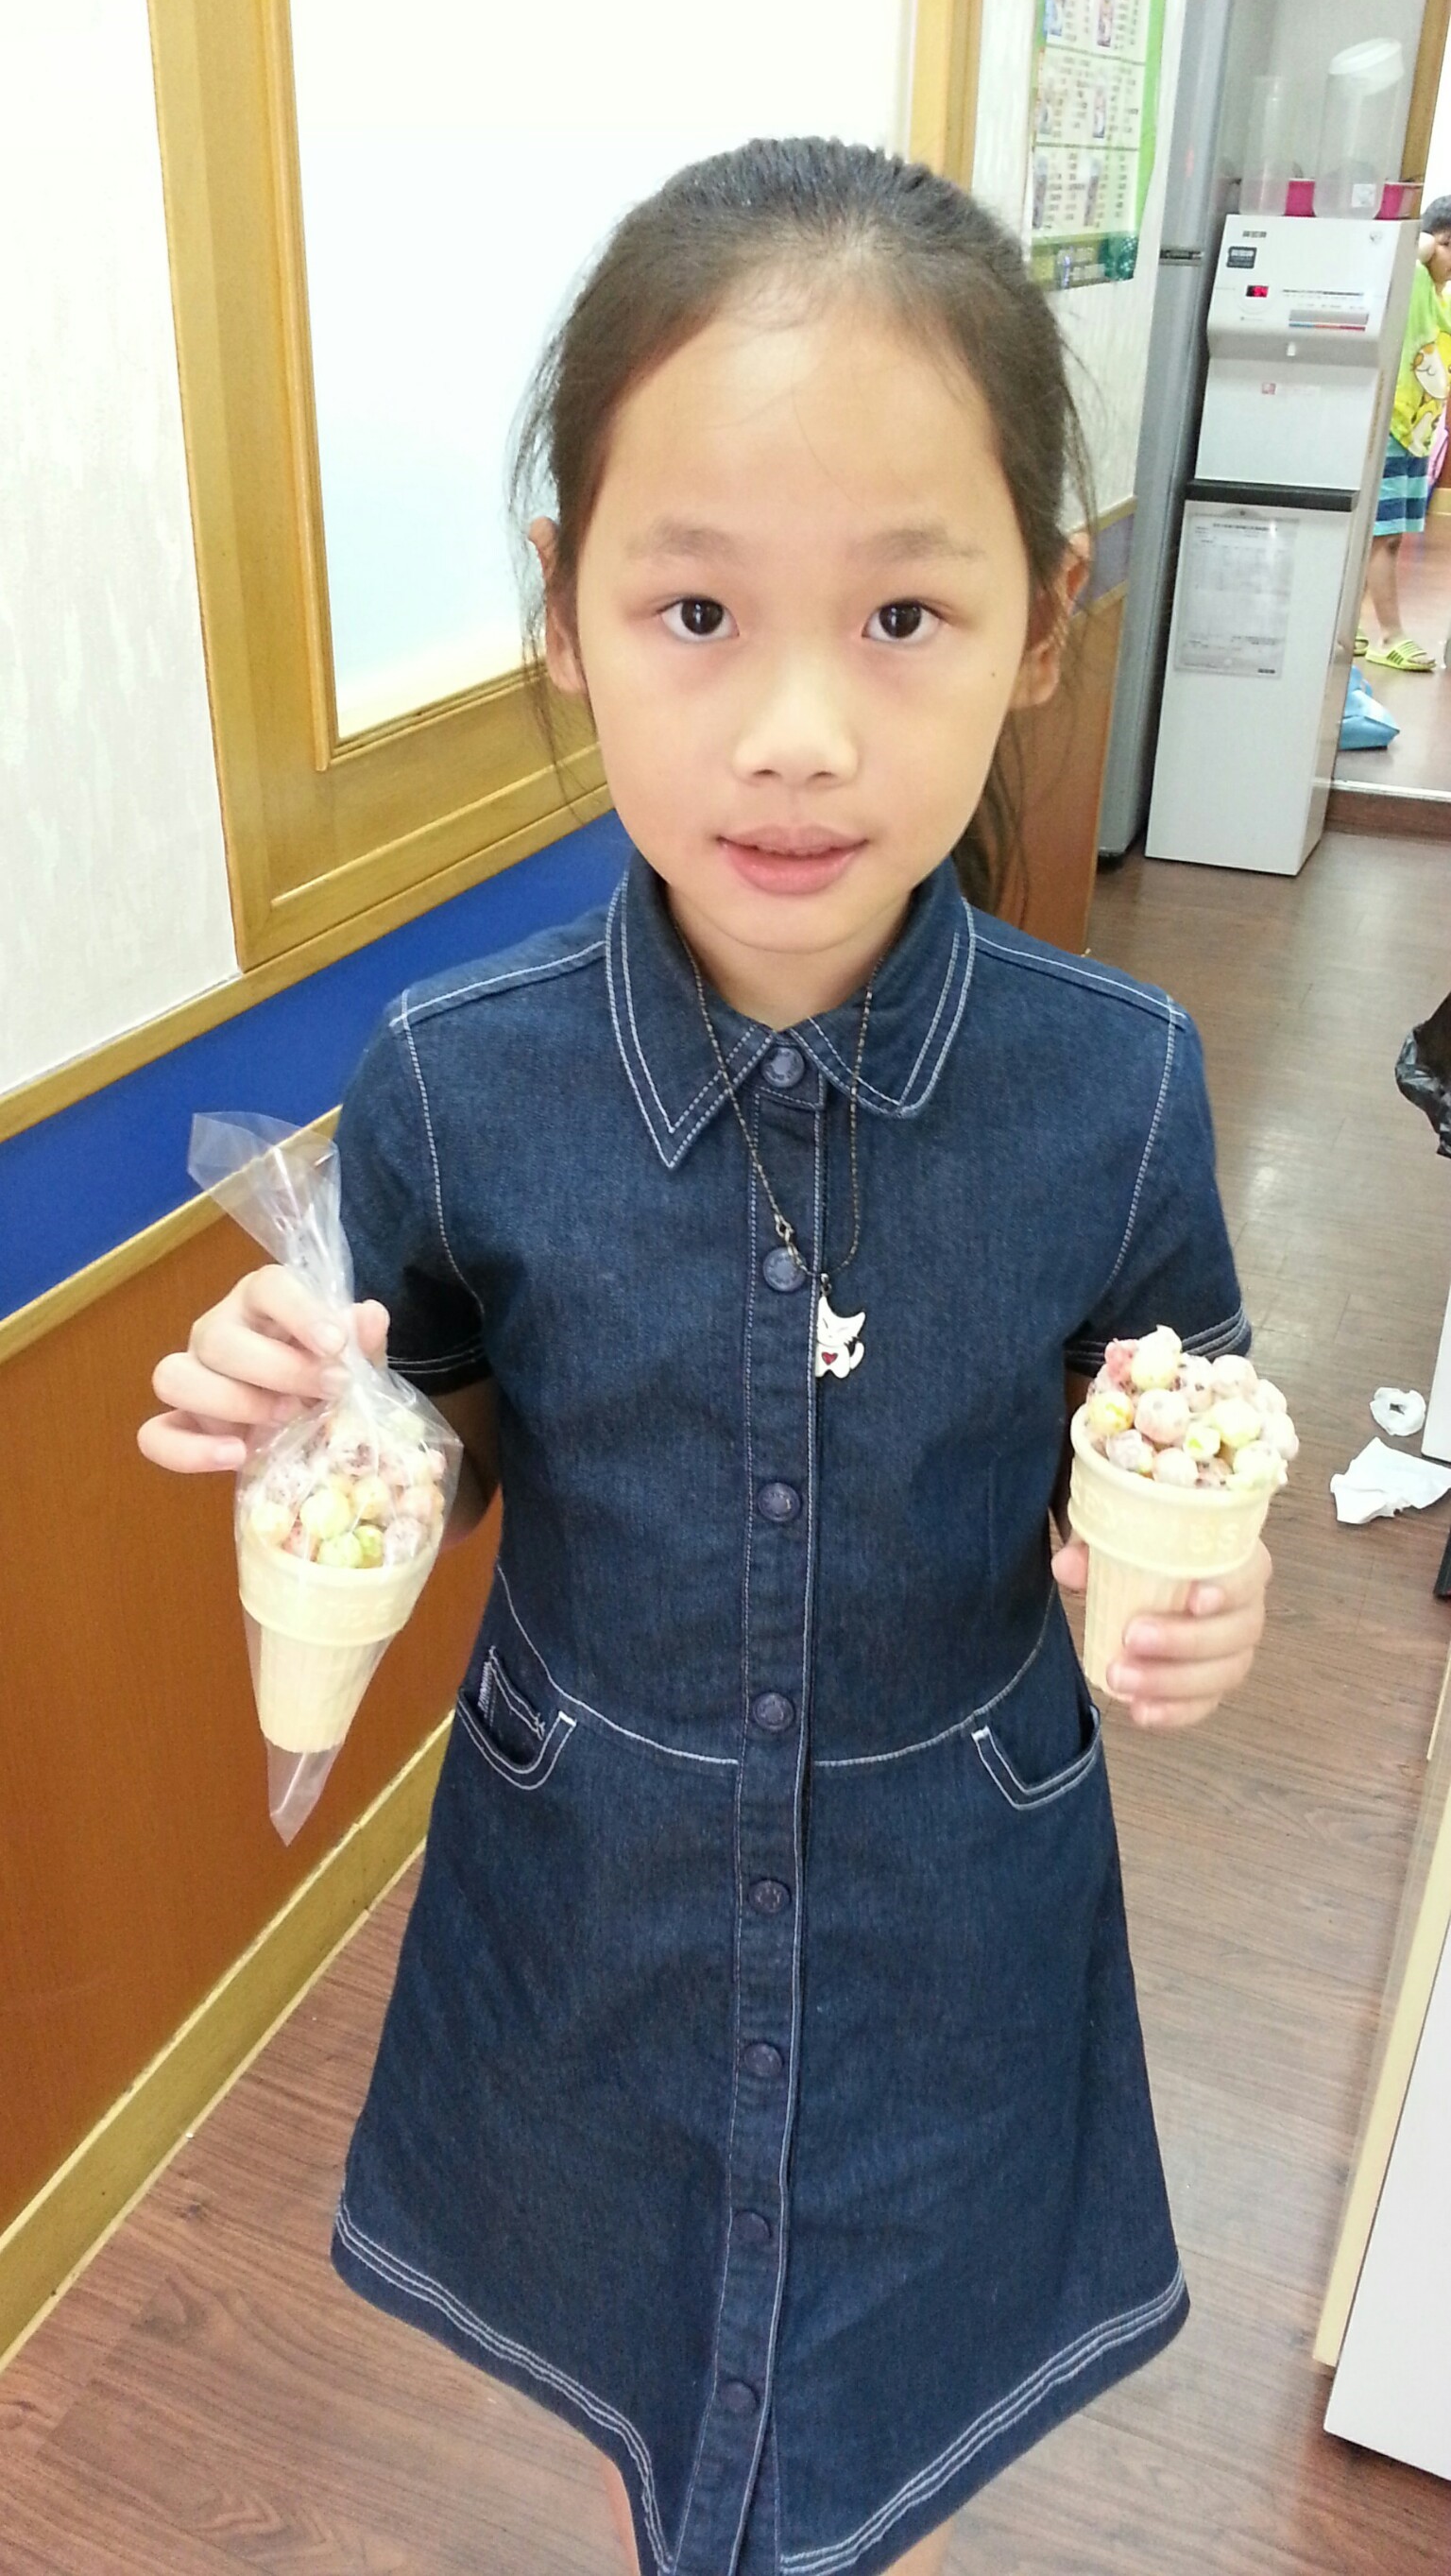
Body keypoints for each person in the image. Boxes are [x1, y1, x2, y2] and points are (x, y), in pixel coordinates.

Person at [138, 140, 1271, 2576]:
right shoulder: (456, 1078)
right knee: (664, 2378)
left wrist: (1199, 1574)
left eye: (902, 615)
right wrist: (331, 1420)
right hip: (598, 1916)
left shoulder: (1115, 1090)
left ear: (1045, 619)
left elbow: (1183, 1418)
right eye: (691, 610)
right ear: (563, 610)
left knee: (869, 2423)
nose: (793, 734)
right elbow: (431, 1408)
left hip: (947, 1925)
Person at [1360, 197, 1451, 671]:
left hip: (1416, 435)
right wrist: (1427, 240)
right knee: (1385, 536)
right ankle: (1390, 635)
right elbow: (1406, 252)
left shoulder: (1437, 300)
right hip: (1393, 429)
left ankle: (1346, 623)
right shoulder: (1413, 278)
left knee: (1380, 533)